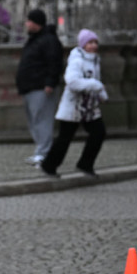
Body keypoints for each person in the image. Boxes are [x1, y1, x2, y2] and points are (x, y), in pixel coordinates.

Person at [40, 29, 108, 178]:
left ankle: (85, 164)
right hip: (73, 107)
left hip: (89, 107)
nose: (94, 46)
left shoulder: (95, 60)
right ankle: (49, 166)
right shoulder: (77, 60)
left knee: (99, 133)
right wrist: (95, 86)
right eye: (90, 42)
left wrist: (101, 93)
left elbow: (96, 81)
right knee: (65, 138)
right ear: (83, 45)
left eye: (95, 42)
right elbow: (72, 81)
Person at [15, 8, 64, 167]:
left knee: (42, 121)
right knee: (35, 121)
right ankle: (41, 151)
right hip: (31, 87)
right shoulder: (36, 39)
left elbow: (54, 62)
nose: (26, 23)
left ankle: (44, 153)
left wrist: (50, 82)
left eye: (29, 21)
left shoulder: (48, 40)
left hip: (40, 87)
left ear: (36, 23)